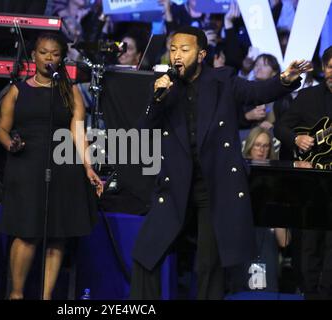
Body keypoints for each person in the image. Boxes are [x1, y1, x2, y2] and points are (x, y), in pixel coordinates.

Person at [129, 26, 310, 300]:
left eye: (185, 50)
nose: (177, 55)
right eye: (174, 49)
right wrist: (156, 99)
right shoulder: (166, 87)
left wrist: (285, 79)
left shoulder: (222, 81)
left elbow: (257, 91)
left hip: (213, 185)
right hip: (175, 184)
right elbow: (141, 132)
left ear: (201, 54)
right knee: (146, 253)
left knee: (208, 265)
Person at [0, 31, 103, 300]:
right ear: (33, 56)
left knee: (58, 235)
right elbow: (1, 128)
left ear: (62, 59)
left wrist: (88, 167)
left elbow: (78, 131)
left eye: (55, 54)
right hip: (27, 166)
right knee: (27, 233)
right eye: (44, 53)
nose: (49, 58)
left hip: (62, 167)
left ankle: (46, 297)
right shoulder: (17, 90)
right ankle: (16, 294)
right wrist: (10, 144)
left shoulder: (71, 91)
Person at [274, 45, 332, 299]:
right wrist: (296, 139)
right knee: (308, 246)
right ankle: (309, 294)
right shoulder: (308, 97)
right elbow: (280, 127)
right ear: (323, 68)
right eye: (330, 66)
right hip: (310, 185)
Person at [228, 127, 291, 293]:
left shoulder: (278, 182)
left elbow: (284, 241)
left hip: (268, 244)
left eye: (265, 146)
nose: (261, 150)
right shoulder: (237, 178)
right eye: (257, 145)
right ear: (249, 147)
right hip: (240, 243)